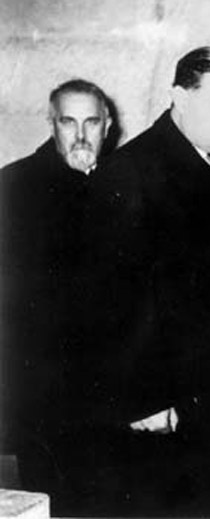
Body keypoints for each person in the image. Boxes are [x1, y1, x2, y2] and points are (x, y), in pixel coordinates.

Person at [75, 46, 210, 514]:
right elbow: (109, 302)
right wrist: (143, 400)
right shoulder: (130, 174)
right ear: (179, 97)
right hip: (169, 408)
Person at [0, 79, 113, 497]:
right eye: (68, 122)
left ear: (108, 125)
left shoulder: (122, 180)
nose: (81, 135)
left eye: (91, 122)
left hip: (111, 393)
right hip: (47, 395)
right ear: (51, 124)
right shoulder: (15, 185)